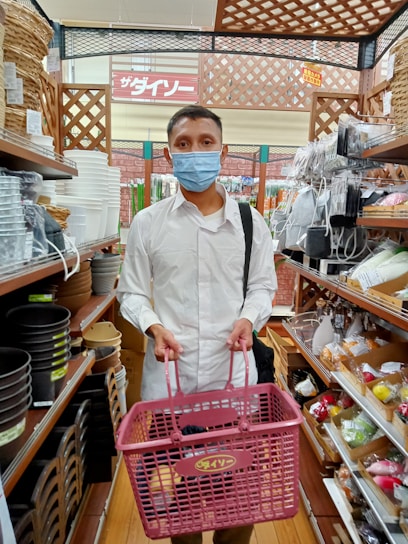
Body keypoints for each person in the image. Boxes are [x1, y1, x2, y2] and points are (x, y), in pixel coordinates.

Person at [116, 104, 277, 544]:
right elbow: (130, 292)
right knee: (182, 496)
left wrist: (248, 318)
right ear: (169, 155)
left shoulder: (250, 223)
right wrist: (153, 326)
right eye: (184, 144)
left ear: (222, 152)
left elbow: (263, 287)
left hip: (234, 380)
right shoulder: (148, 224)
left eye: (206, 143)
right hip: (173, 380)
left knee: (236, 491)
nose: (195, 152)